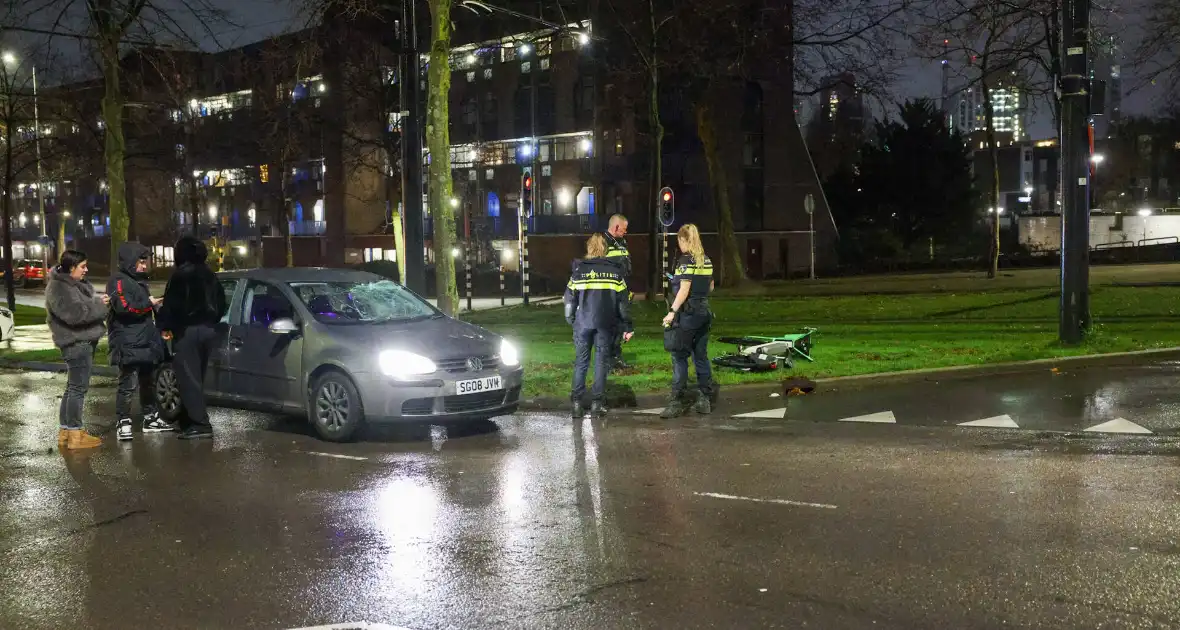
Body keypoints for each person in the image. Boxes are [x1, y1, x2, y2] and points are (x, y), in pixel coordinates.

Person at [157, 236, 227, 440]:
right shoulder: (209, 275)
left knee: (188, 377)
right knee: (198, 376)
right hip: (208, 329)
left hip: (187, 331)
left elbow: (172, 306)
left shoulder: (180, 276)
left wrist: (163, 324)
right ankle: (190, 420)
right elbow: (221, 302)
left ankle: (199, 423)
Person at [45, 250, 109, 450]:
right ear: (71, 267)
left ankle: (66, 431)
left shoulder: (69, 285)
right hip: (76, 343)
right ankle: (75, 433)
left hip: (79, 342)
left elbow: (81, 306)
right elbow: (75, 314)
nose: (86, 270)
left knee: (72, 387)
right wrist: (99, 305)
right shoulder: (59, 287)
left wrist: (96, 302)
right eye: (83, 266)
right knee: (77, 389)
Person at [565, 233, 633, 418]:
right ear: (605, 249)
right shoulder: (614, 272)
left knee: (581, 363)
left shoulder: (579, 271)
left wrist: (571, 320)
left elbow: (570, 300)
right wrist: (628, 326)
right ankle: (597, 404)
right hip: (605, 324)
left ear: (589, 248)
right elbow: (623, 304)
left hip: (583, 324)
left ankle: (577, 404)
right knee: (601, 363)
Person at [106, 242, 170, 441]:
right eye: (141, 262)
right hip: (128, 343)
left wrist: (161, 319)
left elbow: (145, 308)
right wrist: (148, 303)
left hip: (146, 342)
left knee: (147, 382)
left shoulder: (140, 282)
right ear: (131, 262)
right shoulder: (117, 281)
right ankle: (123, 421)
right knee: (128, 384)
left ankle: (150, 418)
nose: (144, 266)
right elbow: (124, 307)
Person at [659, 223, 716, 418]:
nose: (680, 245)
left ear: (684, 240)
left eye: (680, 242)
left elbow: (684, 289)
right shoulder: (706, 260)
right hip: (704, 312)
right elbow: (711, 287)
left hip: (688, 314)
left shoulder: (685, 260)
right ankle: (704, 399)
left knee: (679, 356)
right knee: (700, 356)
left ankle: (676, 401)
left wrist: (672, 311)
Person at [602, 214, 631, 369]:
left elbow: (626, 266)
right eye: (624, 229)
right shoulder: (603, 242)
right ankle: (607, 361)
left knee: (620, 326)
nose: (625, 232)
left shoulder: (622, 242)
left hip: (622, 290)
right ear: (616, 227)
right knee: (609, 327)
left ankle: (616, 357)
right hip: (609, 293)